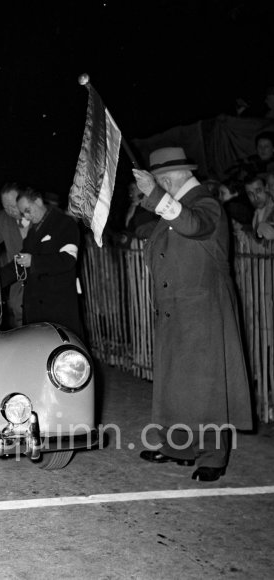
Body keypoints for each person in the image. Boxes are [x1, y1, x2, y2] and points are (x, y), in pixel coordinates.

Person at [132, 146, 253, 482]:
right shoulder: (181, 206)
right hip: (177, 309)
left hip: (203, 309)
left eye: (161, 183)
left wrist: (154, 194)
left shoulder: (206, 203)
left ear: (171, 178)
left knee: (208, 385)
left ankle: (214, 456)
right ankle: (179, 448)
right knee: (177, 384)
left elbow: (192, 225)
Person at [0, 185, 82, 337]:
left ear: (38, 201)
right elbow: (20, 263)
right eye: (23, 213)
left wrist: (35, 261)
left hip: (58, 308)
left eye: (27, 210)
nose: (26, 217)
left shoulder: (64, 224)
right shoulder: (33, 232)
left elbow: (67, 260)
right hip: (35, 310)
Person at [0, 183, 30, 328]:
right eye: (5, 206)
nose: (10, 211)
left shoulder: (40, 217)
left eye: (13, 206)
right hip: (18, 286)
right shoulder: (2, 218)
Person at [243, 174, 274, 240]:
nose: (255, 197)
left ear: (266, 188)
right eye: (250, 194)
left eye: (258, 191)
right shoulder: (256, 214)